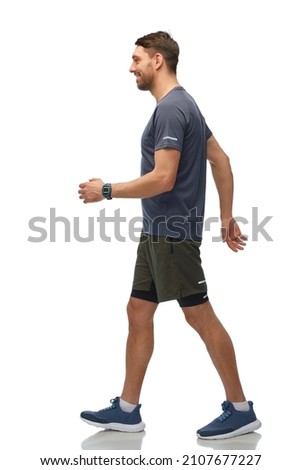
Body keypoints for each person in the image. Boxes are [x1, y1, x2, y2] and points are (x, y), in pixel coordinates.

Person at [78, 31, 261, 439]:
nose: (132, 67)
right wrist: (226, 216)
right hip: (157, 232)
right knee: (138, 311)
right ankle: (127, 410)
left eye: (137, 59)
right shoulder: (185, 105)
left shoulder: (172, 110)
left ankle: (240, 408)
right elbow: (222, 160)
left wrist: (105, 190)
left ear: (158, 60)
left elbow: (163, 178)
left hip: (173, 235)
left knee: (199, 315)